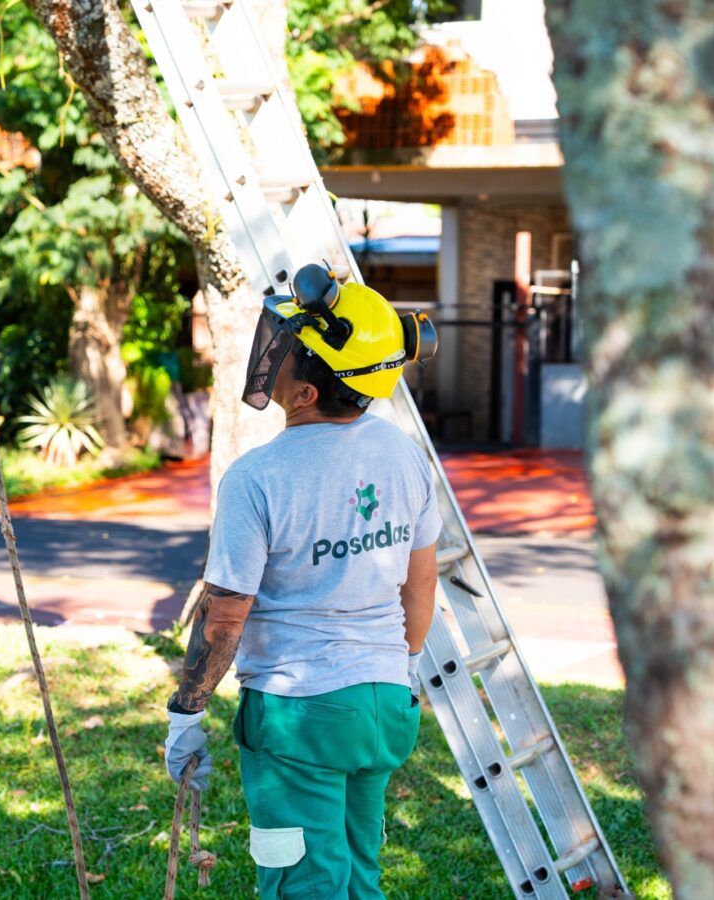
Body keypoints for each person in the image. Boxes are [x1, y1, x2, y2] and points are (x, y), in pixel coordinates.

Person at [163, 264, 442, 898]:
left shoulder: (258, 478)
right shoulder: (407, 458)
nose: (276, 353)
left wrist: (186, 713)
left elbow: (225, 618)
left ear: (308, 393)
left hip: (300, 715)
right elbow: (419, 588)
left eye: (286, 347)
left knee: (302, 884)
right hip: (382, 706)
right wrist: (403, 670)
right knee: (358, 875)